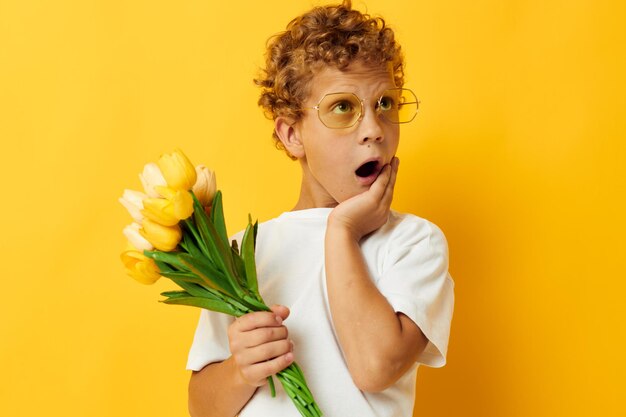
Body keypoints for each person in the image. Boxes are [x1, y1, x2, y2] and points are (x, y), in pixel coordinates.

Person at [186, 1, 454, 416]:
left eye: (386, 104)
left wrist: (342, 230)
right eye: (343, 107)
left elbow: (375, 367)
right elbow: (203, 408)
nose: (374, 131)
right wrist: (242, 369)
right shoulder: (243, 253)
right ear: (292, 135)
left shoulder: (413, 243)